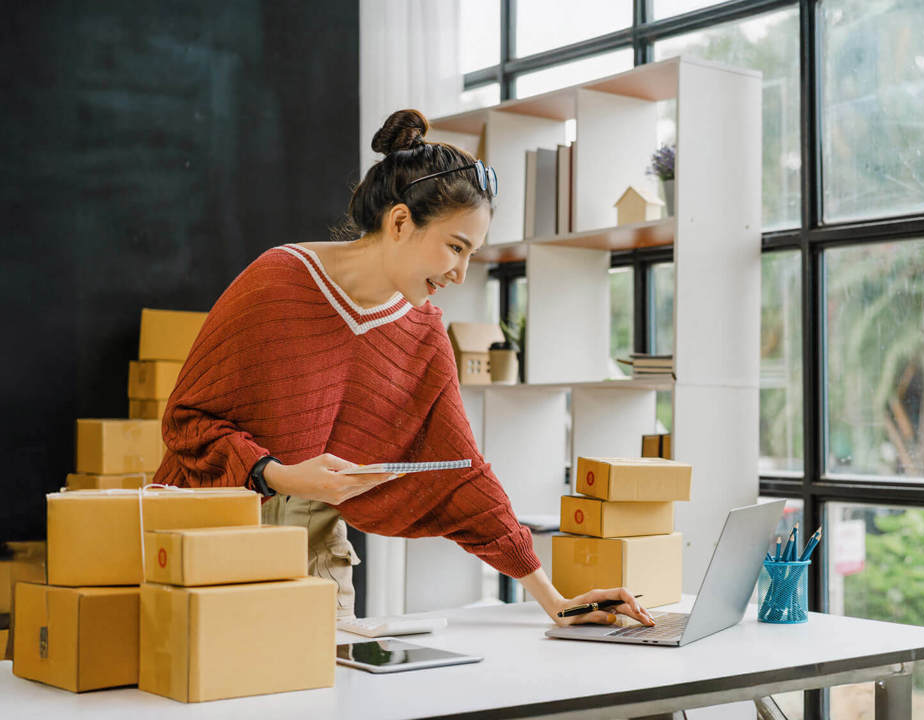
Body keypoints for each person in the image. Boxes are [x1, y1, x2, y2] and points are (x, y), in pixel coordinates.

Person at [153, 108, 654, 629]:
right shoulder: (276, 282)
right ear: (399, 222)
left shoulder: (423, 330)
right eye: (455, 248)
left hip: (317, 549)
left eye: (472, 255)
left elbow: (462, 471)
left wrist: (554, 598)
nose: (460, 273)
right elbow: (186, 423)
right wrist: (276, 473)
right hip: (211, 535)